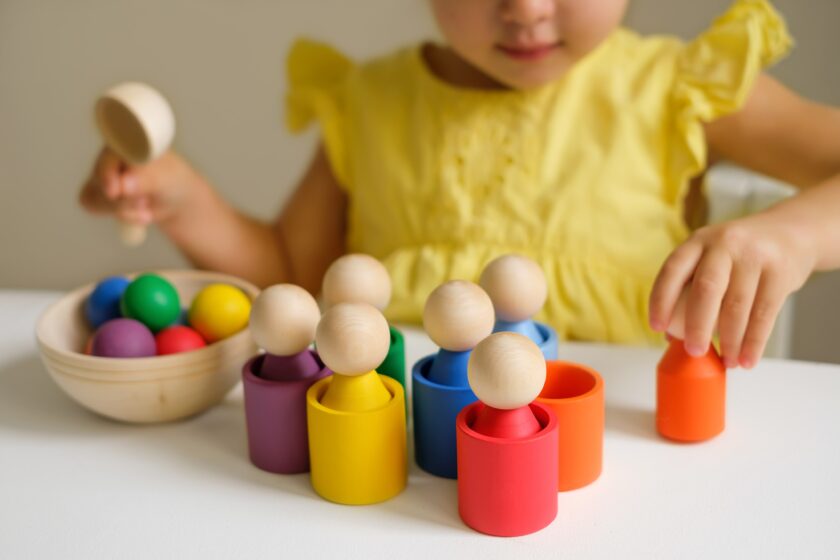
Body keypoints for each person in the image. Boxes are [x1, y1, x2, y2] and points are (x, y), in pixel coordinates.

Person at [78, 0, 840, 369]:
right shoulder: (368, 103)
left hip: (617, 465)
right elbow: (292, 278)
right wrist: (185, 200)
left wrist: (795, 233)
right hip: (392, 469)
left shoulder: (676, 87)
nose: (527, 10)